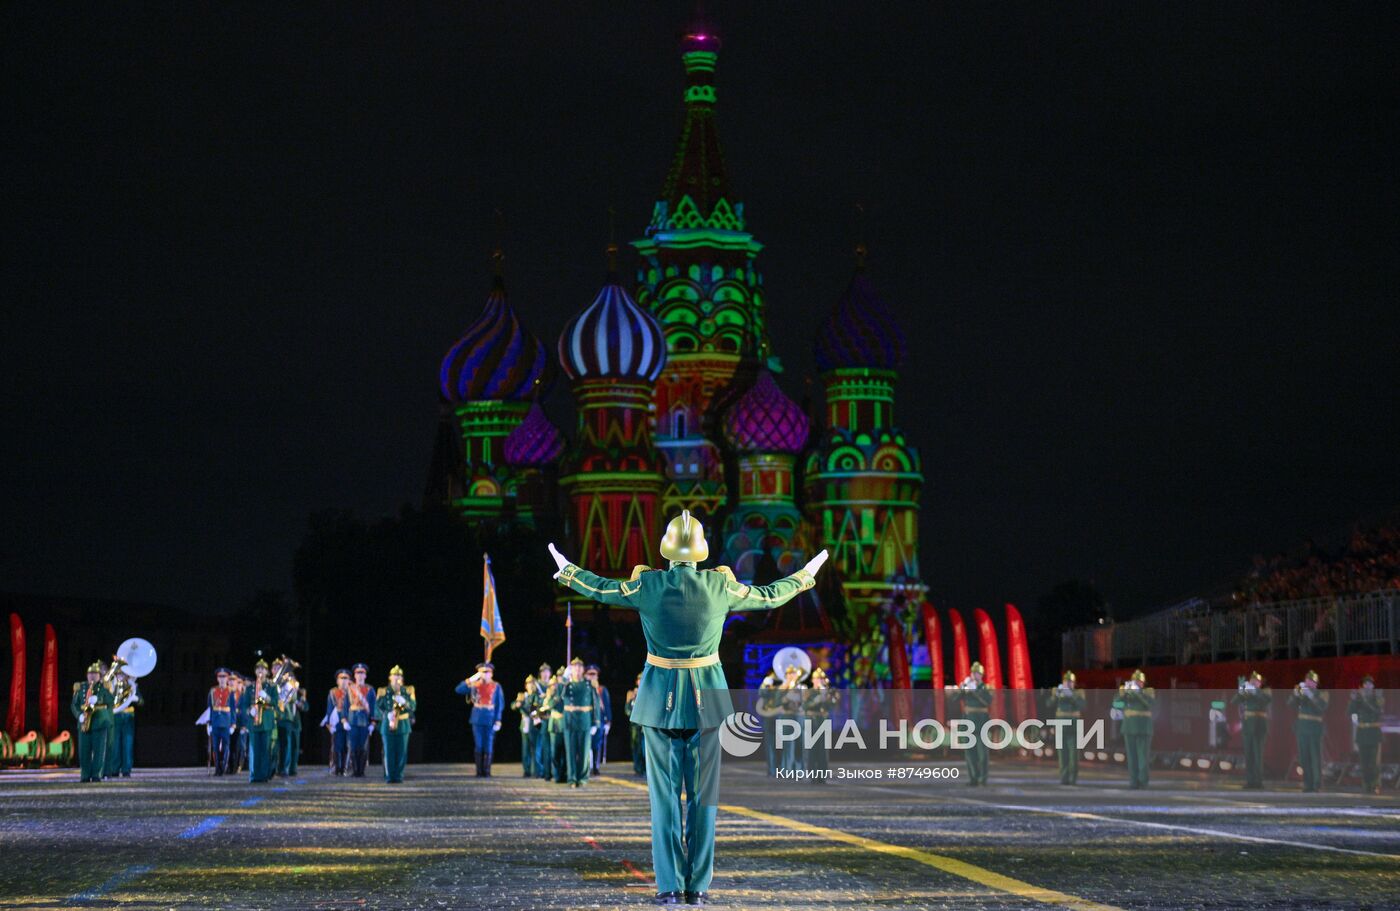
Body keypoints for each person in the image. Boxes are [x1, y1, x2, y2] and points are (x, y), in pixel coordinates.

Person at [550, 509, 828, 906]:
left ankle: (667, 885)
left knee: (663, 801)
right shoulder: (720, 586)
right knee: (703, 801)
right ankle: (696, 887)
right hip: (707, 703)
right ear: (701, 552)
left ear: (667, 551)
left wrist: (567, 570)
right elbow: (770, 596)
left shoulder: (647, 584)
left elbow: (602, 589)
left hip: (657, 701)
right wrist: (804, 575)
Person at [947, 661, 993, 786]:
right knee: (970, 754)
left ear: (981, 675)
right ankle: (973, 778)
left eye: (977, 673)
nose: (975, 675)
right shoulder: (967, 686)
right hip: (968, 722)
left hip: (981, 722)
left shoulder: (986, 688)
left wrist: (974, 691)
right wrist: (962, 689)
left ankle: (982, 779)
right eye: (973, 673)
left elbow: (987, 702)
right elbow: (953, 699)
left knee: (982, 755)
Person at [456, 662, 504, 777]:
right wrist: (472, 678)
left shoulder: (496, 686)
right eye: (482, 672)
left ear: (491, 674)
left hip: (490, 718)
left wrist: (498, 719)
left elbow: (499, 704)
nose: (485, 674)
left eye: (487, 672)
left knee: (489, 744)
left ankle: (486, 771)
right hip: (477, 718)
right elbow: (458, 689)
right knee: (478, 744)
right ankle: (479, 771)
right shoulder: (474, 685)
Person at [71, 661, 114, 783]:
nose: (92, 676)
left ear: (99, 675)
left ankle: (96, 775)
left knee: (99, 751)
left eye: (95, 673)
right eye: (90, 673)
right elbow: (74, 704)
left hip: (99, 722)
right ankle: (85, 775)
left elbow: (112, 701)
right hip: (84, 722)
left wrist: (99, 699)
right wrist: (79, 715)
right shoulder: (81, 687)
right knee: (84, 751)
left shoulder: (103, 687)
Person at [1289, 669, 1329, 792]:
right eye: (1307, 680)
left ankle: (1316, 784)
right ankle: (1307, 784)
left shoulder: (1322, 693)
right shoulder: (1302, 693)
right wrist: (1295, 695)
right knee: (1304, 757)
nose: (1308, 683)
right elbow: (1290, 704)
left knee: (1315, 757)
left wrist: (1311, 695)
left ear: (1316, 683)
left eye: (1311, 681)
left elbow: (1322, 707)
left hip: (1314, 728)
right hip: (1302, 728)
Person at [1230, 671, 1272, 789]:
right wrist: (1241, 690)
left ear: (1260, 683)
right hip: (1248, 725)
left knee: (1257, 753)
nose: (1253, 683)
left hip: (1259, 724)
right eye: (1251, 681)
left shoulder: (1266, 690)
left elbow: (1265, 700)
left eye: (1256, 681)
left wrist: (1254, 690)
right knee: (1249, 754)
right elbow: (1234, 701)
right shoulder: (1247, 691)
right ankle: (1250, 781)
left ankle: (1258, 781)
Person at [1044, 671, 1086, 785]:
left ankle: (1073, 778)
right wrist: (1055, 696)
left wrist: (1071, 696)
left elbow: (1082, 706)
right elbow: (1048, 704)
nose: (1068, 684)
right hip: (1060, 725)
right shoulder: (1057, 692)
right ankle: (1064, 778)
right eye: (1066, 682)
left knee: (1073, 755)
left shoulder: (1078, 693)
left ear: (1074, 683)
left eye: (1070, 682)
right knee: (1062, 755)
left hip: (1073, 725)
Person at [377, 665, 417, 783]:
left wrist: (405, 702)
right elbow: (377, 707)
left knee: (401, 752)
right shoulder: (383, 691)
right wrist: (386, 714)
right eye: (394, 675)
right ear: (390, 677)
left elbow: (413, 707)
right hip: (388, 723)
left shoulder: (408, 690)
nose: (397, 677)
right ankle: (390, 776)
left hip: (403, 724)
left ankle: (398, 776)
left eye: (399, 675)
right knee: (389, 752)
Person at [1119, 669, 1156, 790]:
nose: (1137, 683)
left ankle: (1143, 782)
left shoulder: (1148, 692)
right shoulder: (1126, 691)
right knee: (1131, 757)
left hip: (1143, 728)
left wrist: (1137, 694)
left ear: (1143, 683)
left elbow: (1149, 705)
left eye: (1139, 682)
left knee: (1143, 757)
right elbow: (1117, 703)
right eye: (1135, 681)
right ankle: (1133, 781)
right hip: (1129, 728)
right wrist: (1124, 694)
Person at [1348, 674, 1383, 795]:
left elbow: (1378, 710)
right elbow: (1350, 712)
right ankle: (1366, 785)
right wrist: (1353, 700)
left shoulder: (1377, 697)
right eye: (1365, 684)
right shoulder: (1359, 698)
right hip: (1362, 733)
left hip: (1373, 733)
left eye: (1370, 684)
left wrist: (1364, 699)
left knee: (1373, 762)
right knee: (1364, 762)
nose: (1367, 686)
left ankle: (1374, 785)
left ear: (1373, 686)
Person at [245, 659, 278, 783]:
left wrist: (267, 697)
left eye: (263, 668)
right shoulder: (250, 688)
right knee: (254, 750)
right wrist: (249, 710)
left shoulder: (272, 686)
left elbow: (275, 702)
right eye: (258, 668)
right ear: (255, 671)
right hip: (254, 722)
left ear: (267, 672)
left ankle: (263, 776)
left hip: (266, 721)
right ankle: (254, 775)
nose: (260, 670)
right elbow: (244, 704)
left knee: (265, 750)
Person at [803, 668, 838, 781]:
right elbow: (805, 706)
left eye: (821, 678)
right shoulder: (808, 692)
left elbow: (834, 704)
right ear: (813, 680)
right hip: (812, 719)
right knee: (812, 748)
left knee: (823, 749)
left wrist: (829, 697)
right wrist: (816, 700)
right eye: (817, 678)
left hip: (823, 719)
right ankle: (813, 775)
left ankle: (822, 775)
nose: (819, 681)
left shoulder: (826, 691)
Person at [107, 666, 142, 778]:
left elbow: (141, 702)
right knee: (115, 744)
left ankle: (126, 769)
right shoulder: (112, 687)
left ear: (127, 676)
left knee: (127, 743)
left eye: (123, 674)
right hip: (115, 717)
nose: (120, 676)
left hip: (128, 717)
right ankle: (114, 769)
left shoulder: (133, 687)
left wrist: (137, 698)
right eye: (118, 674)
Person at [347, 663, 376, 778]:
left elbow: (373, 707)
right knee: (353, 746)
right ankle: (355, 771)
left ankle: (361, 771)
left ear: (365, 675)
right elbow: (345, 705)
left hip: (364, 721)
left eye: (362, 673)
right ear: (354, 675)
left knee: (363, 747)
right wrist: (344, 720)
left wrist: (373, 723)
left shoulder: (370, 690)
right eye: (357, 673)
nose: (360, 675)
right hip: (352, 721)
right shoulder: (349, 689)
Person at [277, 676, 308, 777]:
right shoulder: (284, 692)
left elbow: (306, 708)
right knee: (286, 745)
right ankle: (284, 768)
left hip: (296, 724)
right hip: (286, 721)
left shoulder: (298, 693)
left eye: (294, 681)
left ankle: (293, 769)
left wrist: (302, 699)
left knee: (295, 747)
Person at [207, 668, 236, 776]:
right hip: (215, 722)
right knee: (215, 747)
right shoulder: (212, 691)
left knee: (225, 746)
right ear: (217, 678)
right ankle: (217, 768)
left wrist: (233, 724)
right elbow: (209, 708)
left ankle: (223, 766)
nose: (222, 679)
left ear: (227, 678)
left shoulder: (231, 691)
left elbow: (233, 708)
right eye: (220, 677)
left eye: (224, 677)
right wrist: (209, 723)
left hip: (226, 722)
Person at [513, 676, 540, 778]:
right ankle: (527, 770)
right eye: (529, 683)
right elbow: (513, 705)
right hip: (524, 724)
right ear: (526, 685)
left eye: (533, 683)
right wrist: (517, 704)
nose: (531, 685)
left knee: (535, 749)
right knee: (525, 749)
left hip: (534, 723)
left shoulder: (536, 696)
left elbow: (533, 710)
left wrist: (522, 707)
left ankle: (537, 771)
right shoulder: (522, 695)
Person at [586, 664, 612, 774]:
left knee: (596, 745)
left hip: (599, 721)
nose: (592, 676)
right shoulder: (584, 689)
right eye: (589, 674)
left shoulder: (601, 690)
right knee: (585, 745)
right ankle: (586, 767)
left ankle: (596, 767)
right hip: (586, 720)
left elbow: (606, 705)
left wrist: (608, 721)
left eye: (594, 674)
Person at [326, 669, 352, 776]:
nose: (344, 681)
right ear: (337, 680)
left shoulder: (353, 691)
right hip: (337, 723)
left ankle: (347, 768)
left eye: (346, 678)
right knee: (337, 746)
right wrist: (329, 724)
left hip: (350, 723)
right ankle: (337, 767)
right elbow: (329, 708)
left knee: (349, 746)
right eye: (341, 678)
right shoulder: (333, 692)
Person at [533, 663, 556, 777]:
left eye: (547, 671)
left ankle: (549, 771)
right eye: (543, 672)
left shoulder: (553, 685)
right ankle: (539, 771)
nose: (545, 674)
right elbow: (532, 705)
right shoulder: (536, 686)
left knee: (550, 747)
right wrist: (535, 719)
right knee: (539, 748)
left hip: (552, 719)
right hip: (540, 719)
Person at [625, 672, 645, 776]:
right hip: (635, 725)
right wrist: (635, 697)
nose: (641, 682)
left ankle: (645, 769)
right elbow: (627, 709)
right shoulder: (631, 693)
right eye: (639, 680)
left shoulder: (648, 692)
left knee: (645, 748)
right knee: (635, 746)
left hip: (645, 726)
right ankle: (637, 768)